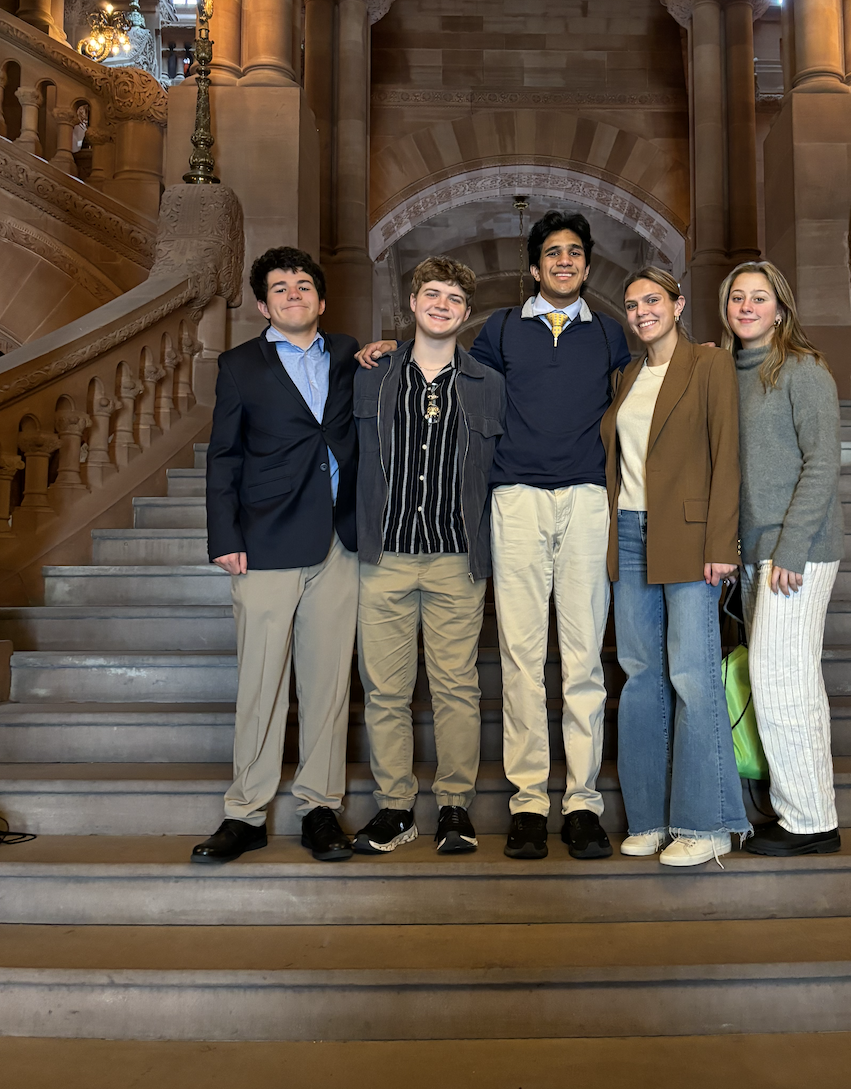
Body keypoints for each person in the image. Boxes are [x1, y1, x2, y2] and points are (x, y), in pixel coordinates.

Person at [358, 210, 630, 860]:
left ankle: (584, 802)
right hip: (514, 502)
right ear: (534, 269)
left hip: (589, 499)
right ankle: (531, 801)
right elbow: (447, 374)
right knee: (521, 660)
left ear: (586, 267)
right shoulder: (503, 331)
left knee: (585, 659)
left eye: (575, 253)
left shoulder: (611, 336)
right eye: (552, 254)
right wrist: (385, 351)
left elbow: (644, 391)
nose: (564, 261)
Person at [194, 247, 360, 865]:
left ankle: (319, 807)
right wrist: (225, 536)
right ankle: (246, 813)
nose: (294, 293)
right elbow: (224, 455)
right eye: (280, 288)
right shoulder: (239, 365)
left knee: (327, 684)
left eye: (303, 284)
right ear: (264, 305)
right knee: (262, 681)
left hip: (339, 544)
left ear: (320, 298)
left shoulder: (349, 355)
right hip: (263, 541)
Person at [349, 257, 505, 856]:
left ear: (466, 314)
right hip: (383, 554)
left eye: (455, 299)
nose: (442, 304)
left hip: (454, 557)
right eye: (432, 294)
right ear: (412, 303)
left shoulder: (488, 384)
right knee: (385, 690)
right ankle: (394, 807)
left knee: (455, 688)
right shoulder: (371, 374)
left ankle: (454, 807)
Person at [600, 269, 747, 867]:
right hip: (630, 535)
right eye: (632, 306)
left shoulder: (710, 366)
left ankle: (706, 823)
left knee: (691, 674)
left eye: (652, 301)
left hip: (690, 538)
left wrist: (722, 543)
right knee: (640, 678)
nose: (641, 313)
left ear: (678, 304)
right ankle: (650, 820)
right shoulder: (626, 375)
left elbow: (726, 455)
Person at [720, 260, 844, 857]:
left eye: (759, 298)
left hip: (799, 551)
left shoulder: (803, 370)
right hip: (755, 553)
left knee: (783, 684)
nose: (747, 306)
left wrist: (790, 548)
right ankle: (804, 808)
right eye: (737, 297)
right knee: (779, 681)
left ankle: (812, 822)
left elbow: (821, 464)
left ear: (781, 308)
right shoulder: (727, 372)